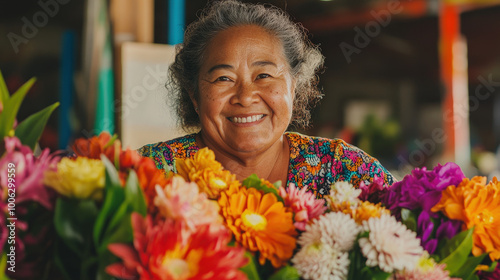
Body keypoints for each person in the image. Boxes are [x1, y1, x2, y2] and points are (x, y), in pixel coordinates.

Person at [138, 0, 395, 197]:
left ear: (293, 87)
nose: (246, 96)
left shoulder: (346, 172)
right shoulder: (148, 175)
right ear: (194, 94)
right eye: (223, 79)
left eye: (264, 75)